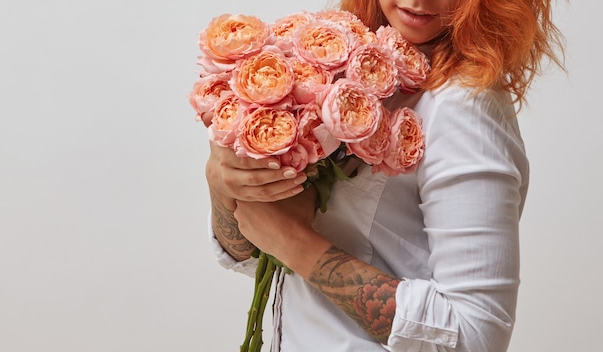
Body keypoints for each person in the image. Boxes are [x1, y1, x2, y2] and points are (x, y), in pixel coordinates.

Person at [204, 0, 565, 351]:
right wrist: (222, 184)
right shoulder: (357, 67)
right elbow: (254, 253)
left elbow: (475, 337)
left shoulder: (463, 110)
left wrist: (295, 243)